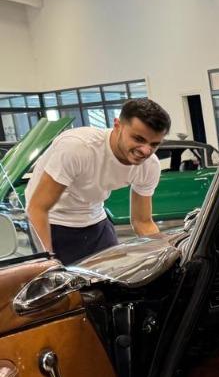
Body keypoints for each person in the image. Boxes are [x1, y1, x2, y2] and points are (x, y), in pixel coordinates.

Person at [26, 98, 170, 264]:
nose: (145, 150)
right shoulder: (78, 149)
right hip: (53, 222)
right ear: (117, 126)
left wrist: (164, 255)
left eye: (154, 144)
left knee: (115, 276)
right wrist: (47, 260)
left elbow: (142, 222)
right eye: (138, 139)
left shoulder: (149, 165)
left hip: (95, 220)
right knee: (58, 278)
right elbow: (38, 208)